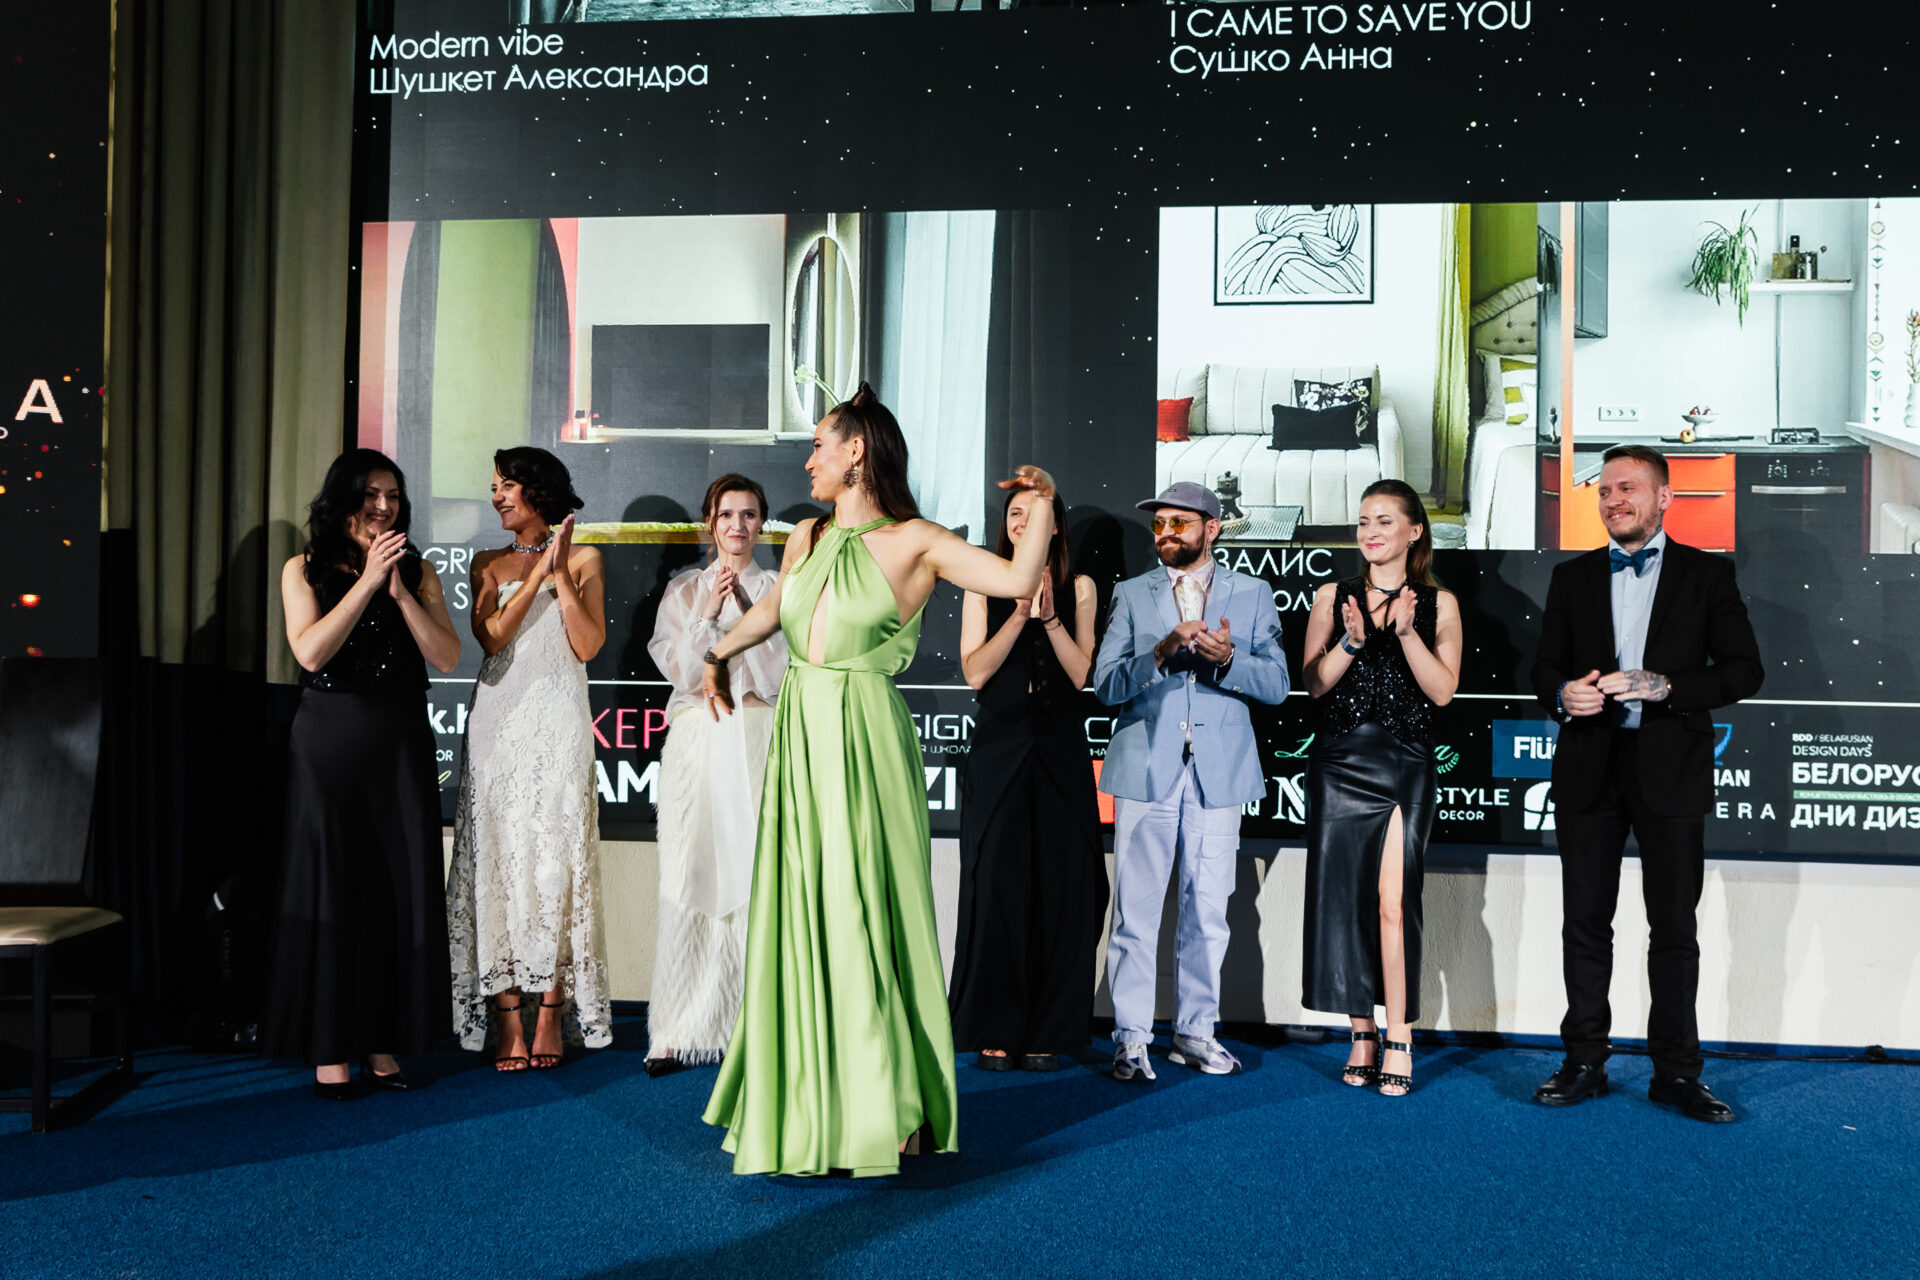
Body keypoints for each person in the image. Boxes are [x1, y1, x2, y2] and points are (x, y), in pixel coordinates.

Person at [697, 383, 1058, 1177]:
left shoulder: (916, 541)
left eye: (819, 446)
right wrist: (718, 653)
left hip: (864, 735)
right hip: (801, 730)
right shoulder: (807, 536)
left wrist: (1042, 504)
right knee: (805, 910)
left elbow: (1014, 581)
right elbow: (776, 612)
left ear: (856, 451)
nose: (809, 461)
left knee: (864, 909)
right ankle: (815, 1106)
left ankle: (889, 1107)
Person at [1529, 444, 1763, 1122]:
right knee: (1584, 925)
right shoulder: (1571, 577)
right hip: (1589, 768)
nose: (1613, 501)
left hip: (1671, 771)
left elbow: (1744, 671)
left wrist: (1665, 686)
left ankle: (1677, 1074)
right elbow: (1544, 668)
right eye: (1605, 491)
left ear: (1664, 497)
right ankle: (1584, 1062)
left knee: (1674, 930)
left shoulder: (1707, 574)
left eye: (1627, 488)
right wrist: (1562, 694)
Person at [264, 449, 463, 1100]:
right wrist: (366, 582)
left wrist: (399, 591)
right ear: (345, 497)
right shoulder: (304, 568)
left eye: (394, 496)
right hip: (330, 738)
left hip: (400, 739)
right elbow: (310, 651)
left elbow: (447, 656)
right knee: (334, 888)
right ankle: (329, 1050)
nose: (384, 506)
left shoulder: (418, 571)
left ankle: (382, 1041)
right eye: (372, 493)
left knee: (395, 888)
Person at [1092, 481, 1291, 1082]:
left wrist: (1227, 660)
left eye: (1179, 523)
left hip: (1218, 771)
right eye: (1159, 524)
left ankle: (1195, 1032)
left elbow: (1277, 686)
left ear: (1212, 528)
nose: (1165, 533)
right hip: (1145, 768)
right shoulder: (1132, 594)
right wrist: (1158, 654)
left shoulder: (1252, 594)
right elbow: (1105, 685)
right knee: (1135, 913)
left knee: (1207, 910)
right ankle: (1131, 1038)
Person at [447, 447, 611, 1071]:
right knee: (497, 864)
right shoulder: (487, 562)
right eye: (494, 486)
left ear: (538, 491)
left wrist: (560, 573)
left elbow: (587, 644)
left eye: (506, 485)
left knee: (554, 866)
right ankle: (508, 1019)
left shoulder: (586, 559)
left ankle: (551, 1013)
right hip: (498, 722)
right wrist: (538, 568)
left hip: (559, 721)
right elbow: (491, 638)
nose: (497, 496)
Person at [1298, 480, 1461, 1096]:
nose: (1370, 532)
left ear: (1415, 531)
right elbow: (1315, 684)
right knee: (1344, 901)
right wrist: (1351, 641)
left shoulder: (1439, 603)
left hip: (1403, 765)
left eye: (1384, 521)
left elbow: (1442, 692)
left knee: (1394, 902)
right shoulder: (1332, 596)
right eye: (1364, 521)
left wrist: (1408, 633)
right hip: (1340, 761)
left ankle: (1400, 1036)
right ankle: (1360, 1032)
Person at [947, 486, 1105, 1074]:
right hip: (999, 749)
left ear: (1054, 526)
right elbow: (975, 673)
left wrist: (1051, 617)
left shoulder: (1080, 586)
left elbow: (1082, 674)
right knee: (998, 887)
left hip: (1060, 749)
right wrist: (1018, 613)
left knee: (1062, 887)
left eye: (1034, 513)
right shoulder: (980, 583)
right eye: (1014, 513)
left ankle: (1049, 1030)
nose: (1022, 522)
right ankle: (996, 1026)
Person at [642, 474, 788, 1077]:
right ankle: (675, 1030)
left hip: (757, 737)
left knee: (758, 878)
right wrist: (707, 614)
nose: (738, 525)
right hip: (698, 739)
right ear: (710, 521)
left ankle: (756, 1025)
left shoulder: (779, 588)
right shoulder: (683, 590)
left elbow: (782, 673)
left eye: (749, 515)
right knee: (688, 874)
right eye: (727, 514)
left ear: (762, 524)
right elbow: (678, 672)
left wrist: (751, 613)